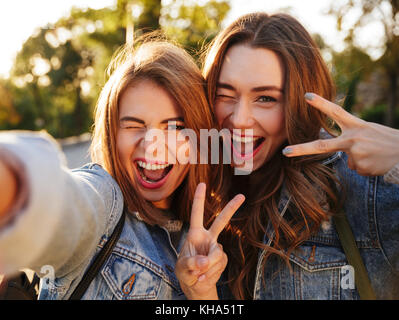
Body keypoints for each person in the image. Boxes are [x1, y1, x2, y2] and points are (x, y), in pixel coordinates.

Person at [0, 36, 244, 300]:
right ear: (111, 134)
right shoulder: (104, 201)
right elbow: (61, 205)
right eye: (133, 125)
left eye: (174, 127)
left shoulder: (215, 243)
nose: (153, 146)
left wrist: (203, 293)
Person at [176, 12, 399, 300]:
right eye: (225, 94)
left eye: (266, 98)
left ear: (298, 105)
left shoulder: (359, 190)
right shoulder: (193, 194)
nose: (240, 119)